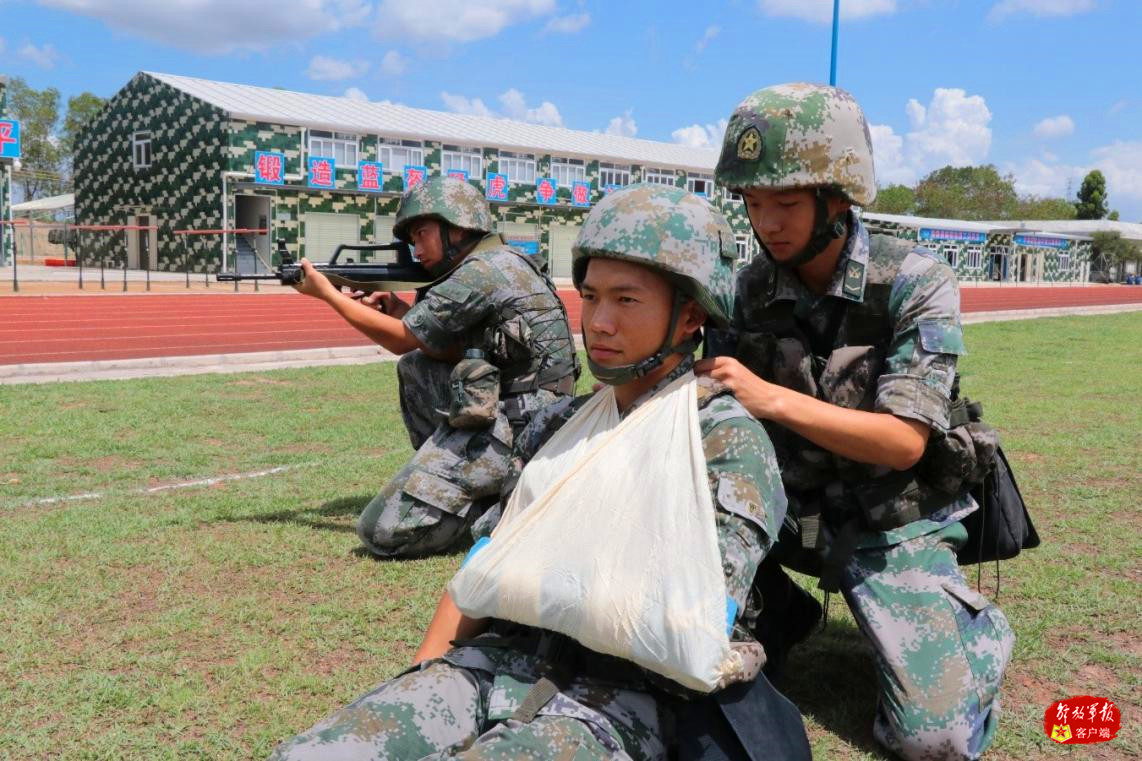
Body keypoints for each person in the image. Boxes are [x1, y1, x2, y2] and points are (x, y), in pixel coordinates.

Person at [268, 184, 808, 761]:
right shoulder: (559, 422)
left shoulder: (724, 440)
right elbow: (482, 571)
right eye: (592, 296)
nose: (598, 322)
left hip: (625, 697)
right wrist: (426, 673)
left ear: (690, 315)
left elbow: (683, 620)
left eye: (626, 301)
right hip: (496, 662)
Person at [695, 83, 1015, 761]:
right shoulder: (745, 292)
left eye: (784, 202)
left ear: (838, 198)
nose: (767, 222)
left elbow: (902, 443)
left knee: (934, 741)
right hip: (783, 516)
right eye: (754, 204)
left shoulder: (914, 281)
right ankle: (778, 610)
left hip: (890, 524)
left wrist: (769, 397)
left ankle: (972, 634)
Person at [294, 176, 577, 559]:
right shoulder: (500, 261)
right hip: (519, 408)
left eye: (422, 233)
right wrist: (398, 311)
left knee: (380, 532)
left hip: (524, 427)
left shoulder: (481, 271)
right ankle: (467, 479)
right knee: (416, 366)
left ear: (457, 226)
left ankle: (496, 504)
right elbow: (446, 346)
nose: (416, 248)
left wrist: (327, 294)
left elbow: (399, 339)